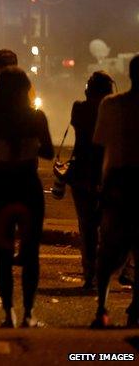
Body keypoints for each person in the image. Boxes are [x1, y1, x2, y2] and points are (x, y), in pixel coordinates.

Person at [0, 67, 53, 328]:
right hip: (27, 184)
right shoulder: (36, 118)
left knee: (2, 251)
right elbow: (47, 152)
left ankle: (7, 313)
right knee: (31, 251)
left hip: (1, 185)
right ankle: (29, 313)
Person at [91, 56, 139, 328]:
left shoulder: (112, 105)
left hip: (118, 180)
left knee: (108, 248)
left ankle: (102, 307)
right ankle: (134, 309)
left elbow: (100, 145)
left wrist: (102, 186)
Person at [68, 72, 114, 289]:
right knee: (107, 226)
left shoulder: (79, 108)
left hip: (82, 173)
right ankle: (103, 271)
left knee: (87, 227)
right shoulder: (113, 110)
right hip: (106, 172)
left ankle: (90, 272)